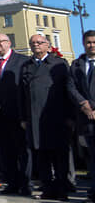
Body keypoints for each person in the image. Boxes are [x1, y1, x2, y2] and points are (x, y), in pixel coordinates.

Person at [20, 34, 71, 200]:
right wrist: (23, 118)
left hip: (56, 117)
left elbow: (68, 90)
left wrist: (70, 116)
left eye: (39, 42)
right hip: (34, 118)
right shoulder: (27, 66)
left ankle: (61, 189)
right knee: (42, 156)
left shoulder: (58, 64)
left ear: (48, 45)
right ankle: (47, 188)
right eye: (33, 43)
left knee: (59, 156)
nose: (36, 45)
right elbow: (22, 94)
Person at [0, 33, 30, 196]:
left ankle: (25, 184)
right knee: (4, 152)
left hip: (16, 113)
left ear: (9, 43)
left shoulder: (22, 61)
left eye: (1, 41)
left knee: (22, 151)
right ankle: (11, 183)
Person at [68, 29, 95, 203]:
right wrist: (83, 104)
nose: (91, 45)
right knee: (91, 157)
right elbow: (71, 87)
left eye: (94, 42)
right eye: (88, 42)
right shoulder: (77, 65)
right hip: (86, 118)